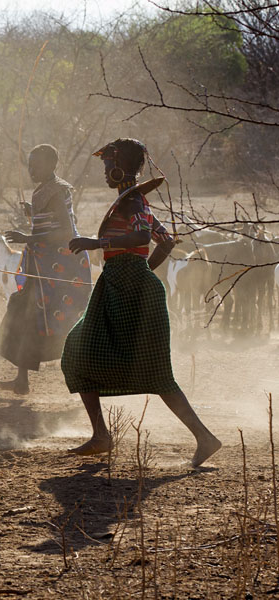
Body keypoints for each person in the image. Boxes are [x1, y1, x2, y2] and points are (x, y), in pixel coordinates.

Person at [61, 137, 221, 467]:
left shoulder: (132, 203)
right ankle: (102, 435)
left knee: (153, 371)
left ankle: (202, 438)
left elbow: (144, 238)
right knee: (80, 349)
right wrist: (142, 269)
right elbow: (167, 241)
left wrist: (99, 243)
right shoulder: (133, 202)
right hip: (126, 284)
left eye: (108, 167)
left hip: (130, 288)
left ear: (120, 168)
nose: (105, 173)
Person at [0, 144, 91, 395]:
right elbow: (53, 223)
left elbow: (66, 231)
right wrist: (34, 214)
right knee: (26, 313)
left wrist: (27, 237)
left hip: (62, 267)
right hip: (46, 263)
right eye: (29, 164)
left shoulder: (56, 191)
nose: (30, 169)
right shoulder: (49, 190)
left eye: (35, 164)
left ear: (51, 164)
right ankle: (21, 380)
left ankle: (85, 376)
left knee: (60, 319)